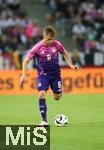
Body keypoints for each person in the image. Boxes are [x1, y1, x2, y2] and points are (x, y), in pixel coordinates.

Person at [20, 26, 78, 126]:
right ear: (45, 35)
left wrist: (70, 64)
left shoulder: (57, 44)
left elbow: (66, 54)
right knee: (41, 94)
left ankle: (57, 92)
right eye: (49, 38)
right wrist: (23, 74)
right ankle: (44, 121)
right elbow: (26, 61)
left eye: (52, 38)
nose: (51, 40)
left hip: (56, 75)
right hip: (43, 76)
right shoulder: (38, 47)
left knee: (57, 97)